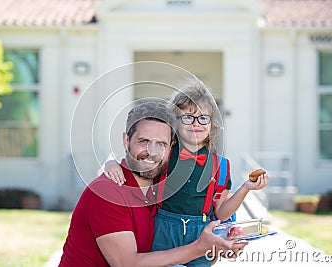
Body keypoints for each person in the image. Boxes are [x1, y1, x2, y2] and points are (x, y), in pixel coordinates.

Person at [59, 101, 247, 267]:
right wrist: (199, 248)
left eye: (161, 144)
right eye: (144, 141)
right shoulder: (108, 191)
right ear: (126, 140)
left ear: (171, 148)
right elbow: (127, 264)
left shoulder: (158, 190)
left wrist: (219, 246)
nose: (152, 152)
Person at [104, 79, 268, 266]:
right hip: (163, 230)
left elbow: (222, 213)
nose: (196, 123)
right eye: (188, 117)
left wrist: (246, 188)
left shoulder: (221, 165)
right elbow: (136, 161)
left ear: (211, 123)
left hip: (201, 232)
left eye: (203, 117)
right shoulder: (164, 153)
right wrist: (111, 164)